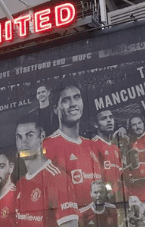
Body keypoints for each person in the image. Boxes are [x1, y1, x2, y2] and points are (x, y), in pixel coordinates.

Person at [8, 119, 80, 227]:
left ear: (41, 137)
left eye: (29, 135)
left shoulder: (57, 179)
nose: (23, 142)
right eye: (19, 137)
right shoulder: (20, 186)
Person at [43, 80, 102, 209]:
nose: (73, 104)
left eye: (77, 97)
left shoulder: (92, 145)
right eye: (66, 100)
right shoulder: (48, 145)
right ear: (55, 109)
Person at [92, 109, 123, 199]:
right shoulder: (92, 145)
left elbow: (120, 175)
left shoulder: (115, 148)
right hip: (103, 198)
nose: (109, 120)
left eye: (111, 117)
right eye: (104, 118)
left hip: (118, 197)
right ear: (95, 124)